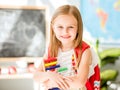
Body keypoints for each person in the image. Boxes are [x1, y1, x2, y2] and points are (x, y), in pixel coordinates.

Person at [34, 5, 100, 90]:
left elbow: (79, 83)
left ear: (78, 28)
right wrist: (49, 75)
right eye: (60, 27)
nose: (65, 32)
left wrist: (51, 83)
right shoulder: (52, 48)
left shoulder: (84, 51)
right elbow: (36, 76)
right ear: (53, 28)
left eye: (71, 27)